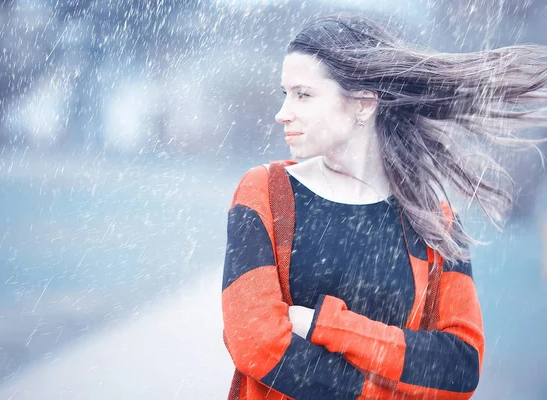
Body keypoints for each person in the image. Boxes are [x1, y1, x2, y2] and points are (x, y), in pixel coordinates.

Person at [221, 14, 547, 400]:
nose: (283, 112)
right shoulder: (266, 193)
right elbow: (254, 342)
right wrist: (382, 384)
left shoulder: (436, 222)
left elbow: (459, 367)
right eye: (285, 93)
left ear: (362, 104)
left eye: (303, 94)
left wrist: (328, 326)